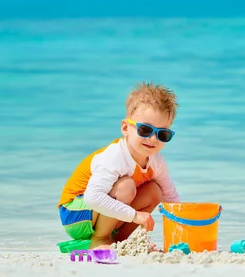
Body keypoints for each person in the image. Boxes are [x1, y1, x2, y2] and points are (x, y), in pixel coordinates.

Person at [57, 81, 180, 250]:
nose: (153, 139)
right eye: (145, 130)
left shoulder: (156, 162)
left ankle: (120, 240)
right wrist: (135, 215)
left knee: (155, 191)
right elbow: (92, 197)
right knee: (126, 186)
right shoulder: (116, 156)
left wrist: (191, 222)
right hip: (75, 214)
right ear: (125, 127)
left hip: (101, 212)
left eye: (162, 134)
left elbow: (171, 199)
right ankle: (100, 239)